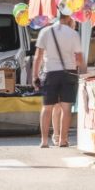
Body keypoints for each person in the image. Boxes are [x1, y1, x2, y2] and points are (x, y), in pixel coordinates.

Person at [33, 14, 84, 148]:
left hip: (50, 72)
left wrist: (34, 76)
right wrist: (84, 72)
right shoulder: (73, 34)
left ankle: (44, 141)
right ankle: (63, 140)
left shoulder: (45, 31)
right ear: (68, 18)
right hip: (69, 73)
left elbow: (37, 57)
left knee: (47, 107)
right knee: (66, 108)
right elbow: (79, 58)